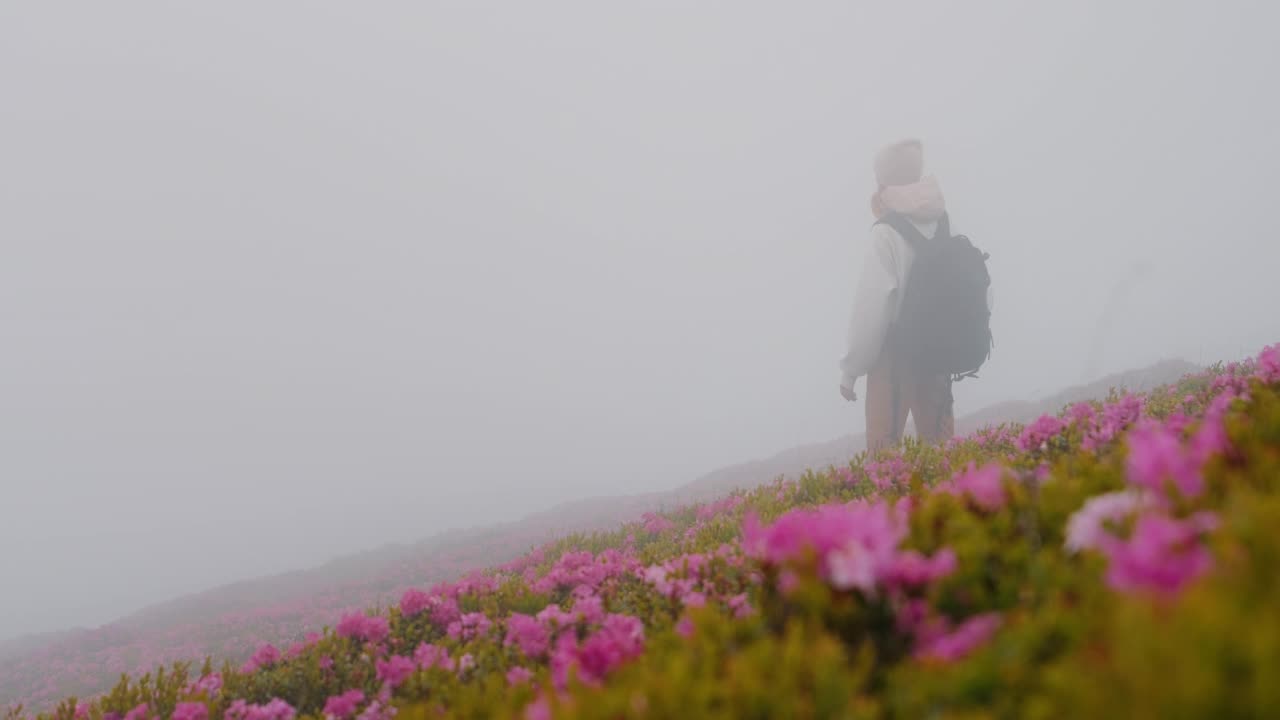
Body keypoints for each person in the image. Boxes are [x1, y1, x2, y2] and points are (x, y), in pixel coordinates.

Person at [839, 139, 956, 451]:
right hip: (937, 351)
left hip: (895, 357)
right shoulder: (940, 220)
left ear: (883, 182)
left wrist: (850, 371)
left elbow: (872, 307)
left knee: (885, 462)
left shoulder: (886, 232)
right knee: (942, 453)